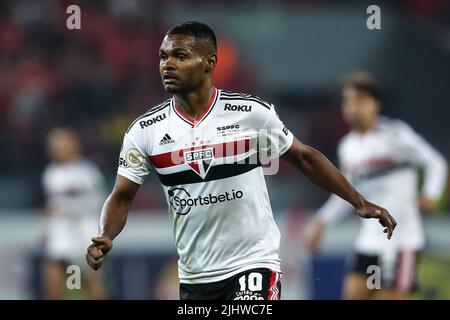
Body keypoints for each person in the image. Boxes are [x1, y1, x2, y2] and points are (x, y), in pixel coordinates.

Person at [85, 22, 397, 300]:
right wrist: (106, 235)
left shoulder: (250, 114)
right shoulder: (145, 131)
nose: (167, 64)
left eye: (179, 56)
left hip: (254, 263)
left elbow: (304, 158)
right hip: (195, 276)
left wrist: (359, 201)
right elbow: (121, 196)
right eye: (163, 56)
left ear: (209, 63)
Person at [305, 72, 448, 300]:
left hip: (401, 242)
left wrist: (430, 194)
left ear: (376, 104)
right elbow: (350, 193)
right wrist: (322, 220)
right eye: (348, 101)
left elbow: (436, 162)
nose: (353, 108)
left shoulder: (395, 134)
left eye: (360, 101)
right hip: (368, 242)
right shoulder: (348, 147)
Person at [42, 127, 106, 299]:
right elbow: (51, 207)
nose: (55, 149)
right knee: (53, 286)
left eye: (60, 144)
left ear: (73, 145)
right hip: (59, 234)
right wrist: (46, 230)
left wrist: (66, 208)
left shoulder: (86, 172)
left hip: (83, 234)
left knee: (92, 286)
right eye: (53, 145)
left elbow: (96, 202)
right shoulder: (50, 173)